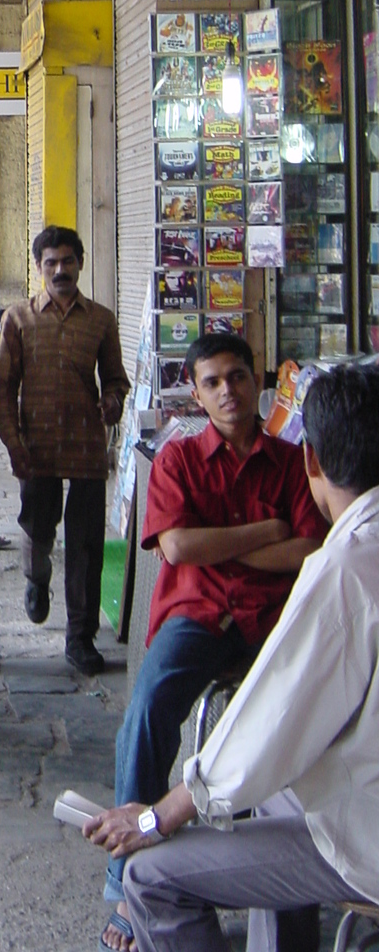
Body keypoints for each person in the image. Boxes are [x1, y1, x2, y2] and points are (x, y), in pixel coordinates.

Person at [85, 362, 379, 952]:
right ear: (195, 391)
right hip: (199, 619)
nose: (228, 392)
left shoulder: (345, 566)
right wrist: (263, 536)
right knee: (155, 704)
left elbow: (271, 716)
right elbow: (181, 546)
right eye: (213, 382)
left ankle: (127, 882)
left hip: (366, 836)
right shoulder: (178, 458)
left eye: (238, 378)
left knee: (153, 877)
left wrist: (156, 817)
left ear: (312, 459)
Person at [0, 224, 129, 675]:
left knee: (86, 544)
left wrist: (111, 400)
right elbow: (3, 387)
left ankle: (81, 637)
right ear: (38, 268)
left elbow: (115, 378)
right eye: (51, 262)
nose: (60, 270)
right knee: (38, 525)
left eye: (68, 261)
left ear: (81, 264)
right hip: (38, 448)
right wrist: (13, 443)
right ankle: (36, 578)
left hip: (86, 446)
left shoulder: (101, 320)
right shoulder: (19, 318)